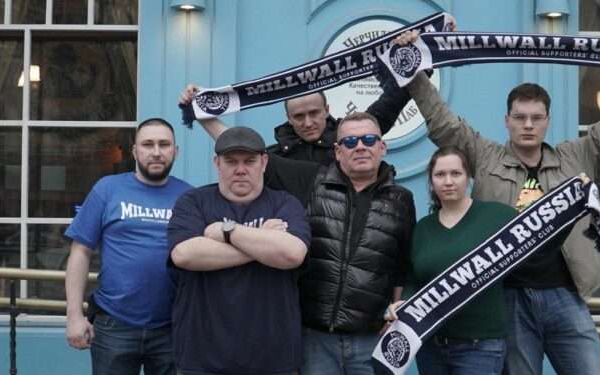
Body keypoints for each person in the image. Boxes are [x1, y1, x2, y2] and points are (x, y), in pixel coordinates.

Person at [391, 31, 600, 375]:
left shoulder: (579, 156)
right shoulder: (485, 157)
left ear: (547, 121)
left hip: (565, 295)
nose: (528, 125)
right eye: (519, 117)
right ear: (507, 121)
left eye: (536, 117)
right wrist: (410, 68)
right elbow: (442, 120)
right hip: (508, 297)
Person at [182, 106, 415, 374]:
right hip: (314, 339)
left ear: (382, 147)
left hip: (370, 337)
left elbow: (401, 265)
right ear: (338, 151)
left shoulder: (402, 199)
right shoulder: (311, 180)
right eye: (350, 141)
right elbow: (245, 153)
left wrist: (397, 314)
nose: (360, 147)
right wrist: (203, 113)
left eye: (369, 140)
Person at [167, 126, 311, 374]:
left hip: (273, 361)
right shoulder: (193, 202)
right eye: (231, 161)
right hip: (202, 359)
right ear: (217, 163)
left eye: (250, 161)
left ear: (264, 162)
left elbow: (292, 254)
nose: (241, 169)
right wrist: (264, 243)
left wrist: (227, 232)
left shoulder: (285, 203)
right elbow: (185, 254)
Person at [65, 118, 192, 375]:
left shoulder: (190, 197)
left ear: (175, 151)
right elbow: (80, 251)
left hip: (172, 326)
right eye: (148, 144)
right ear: (135, 151)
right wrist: (74, 315)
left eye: (164, 144)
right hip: (115, 324)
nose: (156, 152)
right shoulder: (107, 189)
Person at [386, 146, 517, 374]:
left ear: (468, 178)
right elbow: (415, 279)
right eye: (440, 175)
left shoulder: (498, 216)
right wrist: (403, 302)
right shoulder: (423, 228)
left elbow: (539, 237)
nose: (448, 181)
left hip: (480, 346)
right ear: (431, 182)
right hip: (430, 344)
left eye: (456, 174)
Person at [181, 71, 410, 165]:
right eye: (299, 116)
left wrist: (417, 51)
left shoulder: (353, 136)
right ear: (288, 118)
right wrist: (202, 111)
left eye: (314, 113)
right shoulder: (277, 156)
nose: (308, 123)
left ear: (327, 109)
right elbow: (235, 143)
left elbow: (394, 99)